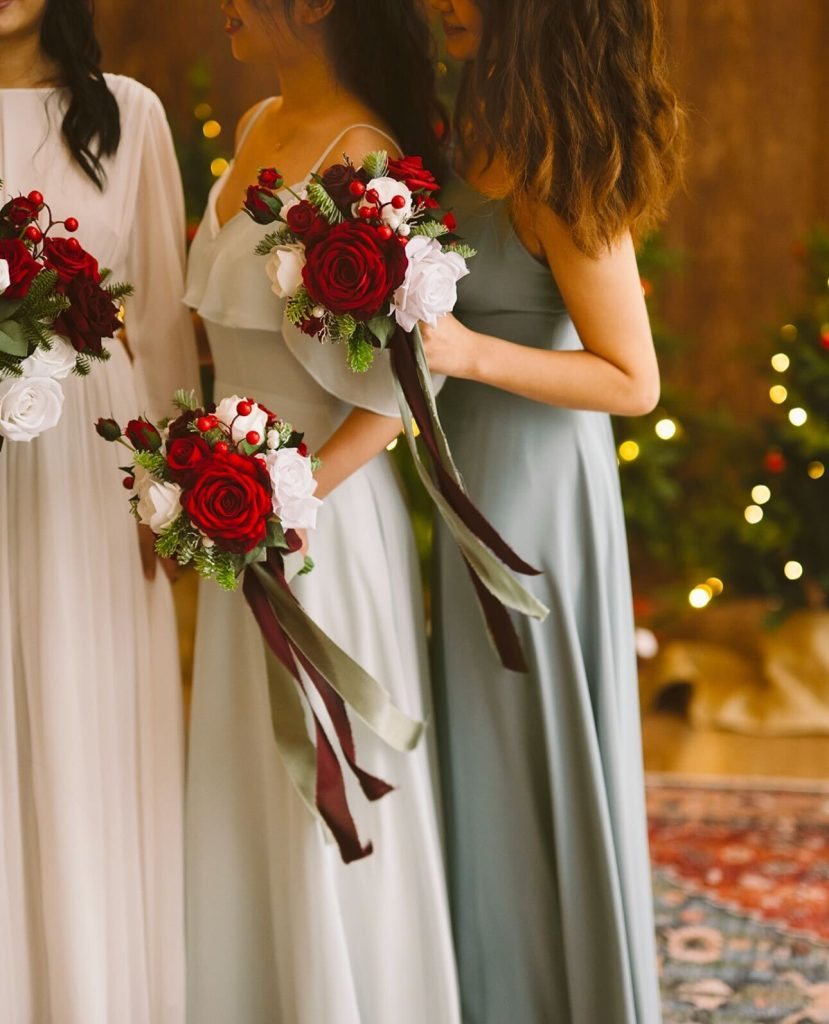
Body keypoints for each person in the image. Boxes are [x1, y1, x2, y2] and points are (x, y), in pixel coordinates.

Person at [184, 2, 460, 1022]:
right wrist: (210, 493)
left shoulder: (368, 157)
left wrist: (276, 499)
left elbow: (397, 392)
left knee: (321, 776)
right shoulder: (256, 117)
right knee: (242, 778)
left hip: (320, 522)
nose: (228, 10)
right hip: (229, 510)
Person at [423, 1, 684, 1022]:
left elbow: (634, 379)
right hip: (471, 478)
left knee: (532, 736)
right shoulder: (466, 125)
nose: (446, 3)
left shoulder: (556, 167)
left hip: (535, 500)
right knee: (485, 747)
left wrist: (466, 352)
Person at [0, 1, 199, 1021]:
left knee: (85, 709)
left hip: (93, 456)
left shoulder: (129, 115)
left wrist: (171, 494)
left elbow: (161, 320)